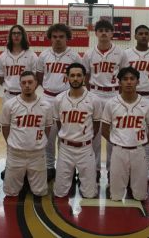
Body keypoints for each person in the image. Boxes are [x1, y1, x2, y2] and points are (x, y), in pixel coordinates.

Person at [83, 19, 129, 182]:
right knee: (93, 133)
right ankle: (94, 168)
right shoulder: (89, 53)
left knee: (113, 134)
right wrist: (89, 95)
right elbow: (86, 75)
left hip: (114, 94)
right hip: (95, 93)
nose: (103, 33)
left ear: (112, 34)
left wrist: (121, 96)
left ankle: (112, 167)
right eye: (100, 30)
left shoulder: (121, 53)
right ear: (96, 33)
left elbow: (125, 76)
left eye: (107, 30)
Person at [101, 66, 149, 201]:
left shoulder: (147, 104)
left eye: (132, 79)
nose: (129, 82)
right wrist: (115, 141)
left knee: (140, 195)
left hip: (139, 150)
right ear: (119, 82)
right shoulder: (111, 103)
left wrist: (142, 142)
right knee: (115, 196)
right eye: (125, 79)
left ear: (138, 81)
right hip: (118, 150)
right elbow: (104, 129)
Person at [37, 23, 81, 181]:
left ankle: (67, 166)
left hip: (68, 98)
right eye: (54, 37)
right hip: (48, 98)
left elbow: (79, 77)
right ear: (50, 38)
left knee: (68, 134)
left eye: (61, 37)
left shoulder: (74, 56)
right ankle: (49, 166)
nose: (57, 40)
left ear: (67, 38)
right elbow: (40, 77)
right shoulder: (43, 55)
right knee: (49, 134)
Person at [53, 63, 101, 198]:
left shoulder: (94, 100)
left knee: (90, 194)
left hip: (85, 148)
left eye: (79, 75)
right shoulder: (59, 99)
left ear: (84, 78)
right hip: (65, 148)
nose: (75, 78)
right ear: (67, 77)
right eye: (72, 75)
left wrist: (85, 137)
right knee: (60, 193)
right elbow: (58, 122)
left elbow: (96, 124)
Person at [1, 71, 52, 197]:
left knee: (40, 192)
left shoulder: (46, 105)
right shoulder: (9, 105)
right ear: (20, 85)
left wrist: (37, 141)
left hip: (37, 153)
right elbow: (6, 128)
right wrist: (13, 142)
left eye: (30, 82)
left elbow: (47, 128)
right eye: (24, 83)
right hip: (16, 154)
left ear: (36, 83)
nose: (27, 85)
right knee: (10, 192)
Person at [125, 24, 149, 182]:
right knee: (130, 128)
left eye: (146, 34)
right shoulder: (126, 54)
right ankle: (128, 165)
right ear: (135, 36)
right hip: (130, 96)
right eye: (140, 33)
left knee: (148, 131)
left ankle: (146, 166)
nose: (143, 36)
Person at [0, 25, 38, 103]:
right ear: (10, 36)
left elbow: (35, 78)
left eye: (19, 33)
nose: (16, 35)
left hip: (26, 95)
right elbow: (1, 77)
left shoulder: (31, 55)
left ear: (23, 36)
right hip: (8, 95)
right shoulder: (3, 56)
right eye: (14, 33)